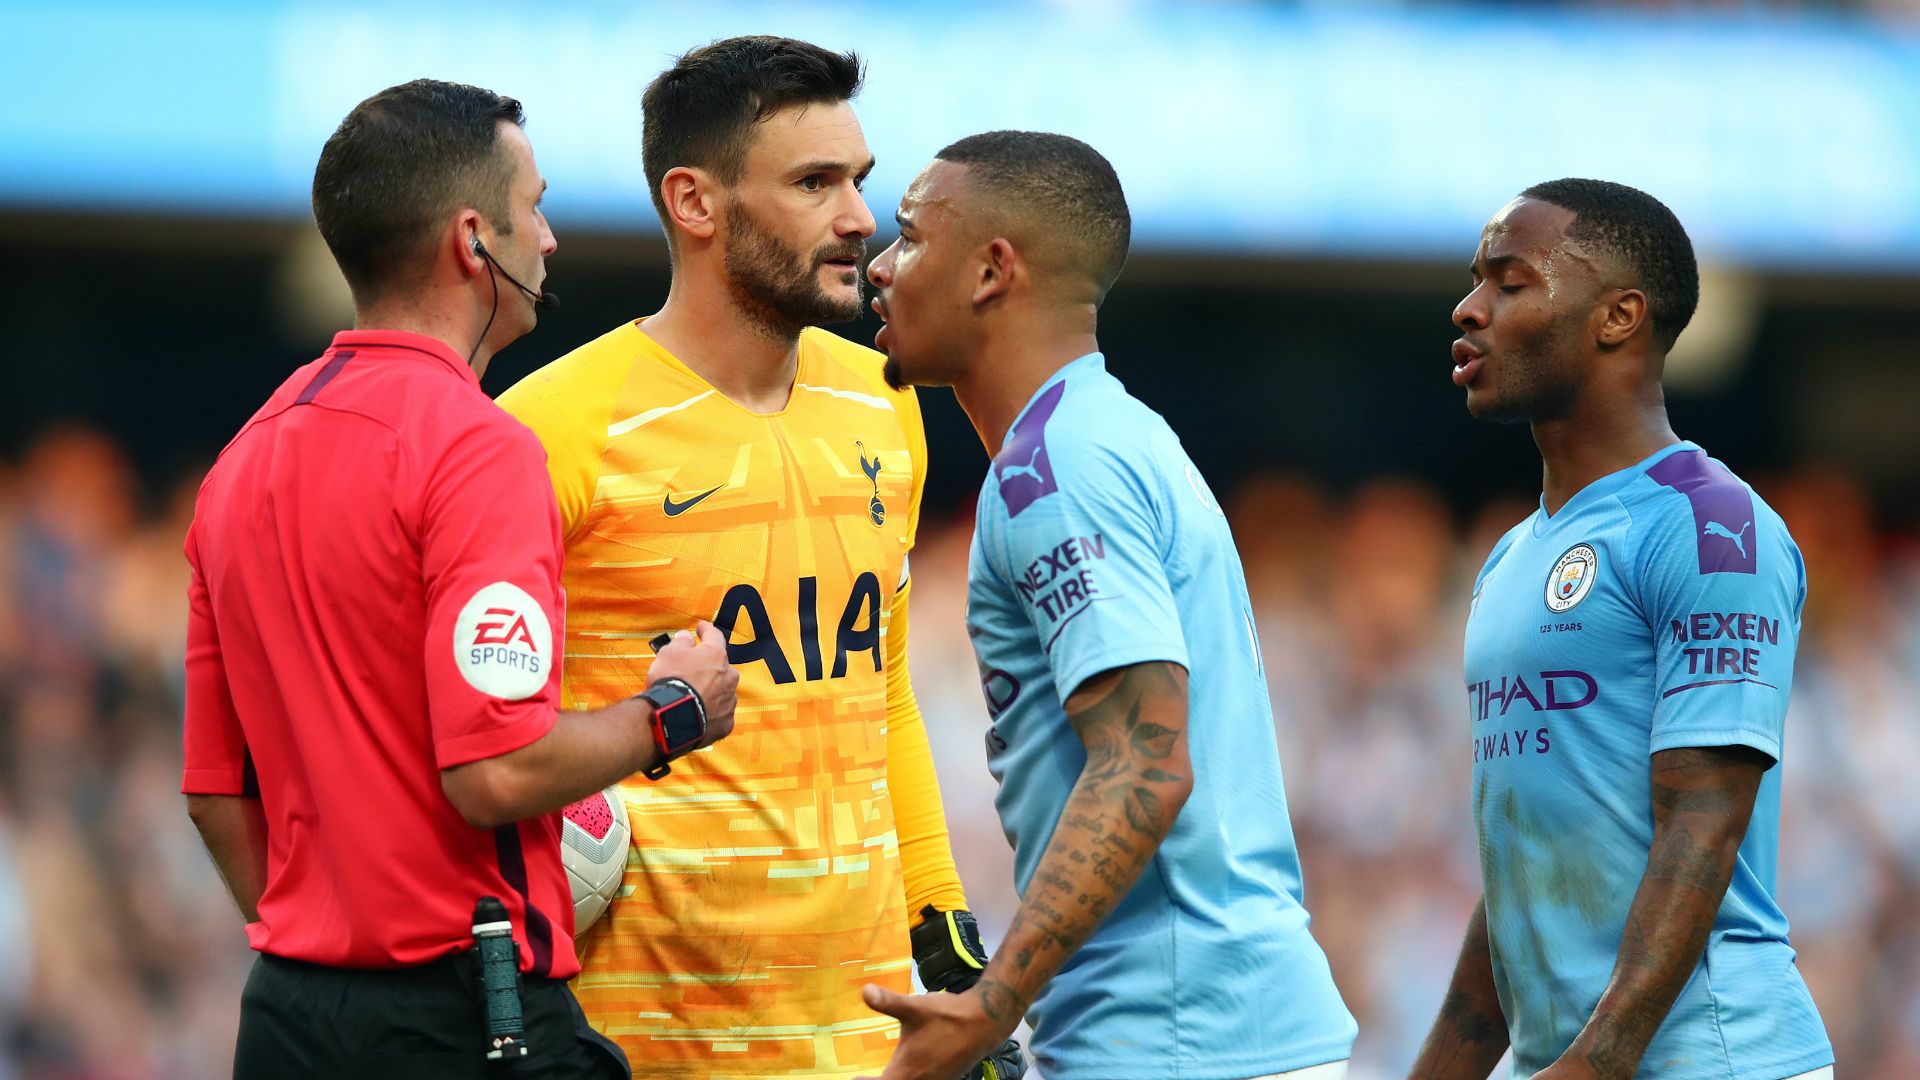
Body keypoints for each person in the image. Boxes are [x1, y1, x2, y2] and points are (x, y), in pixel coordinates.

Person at [180, 79, 739, 1079]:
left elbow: (217, 795)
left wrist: (325, 953)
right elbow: (498, 771)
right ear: (473, 241)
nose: (552, 240)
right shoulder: (478, 449)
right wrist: (675, 711)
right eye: (537, 208)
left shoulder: (240, 462)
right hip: (465, 1014)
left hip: (285, 1020)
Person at [498, 37, 1017, 1078]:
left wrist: (943, 930)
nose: (861, 220)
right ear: (694, 202)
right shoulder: (549, 431)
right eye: (815, 183)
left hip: (867, 1035)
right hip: (643, 1042)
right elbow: (490, 739)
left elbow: (883, 696)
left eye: (859, 183)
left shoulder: (884, 400)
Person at [858, 130, 1358, 1080]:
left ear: (991, 271)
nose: (881, 268)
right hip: (1213, 1029)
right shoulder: (1112, 431)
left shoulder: (1059, 470)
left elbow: (1145, 760)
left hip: (1181, 1041)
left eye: (911, 237)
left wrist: (989, 1001)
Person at [1408, 180, 1834, 1080]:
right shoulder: (1512, 557)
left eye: (1509, 282)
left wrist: (1597, 1064)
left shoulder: (1711, 525)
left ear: (1619, 317)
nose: (1469, 308)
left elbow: (1703, 823)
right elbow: (1520, 876)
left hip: (1714, 1059)